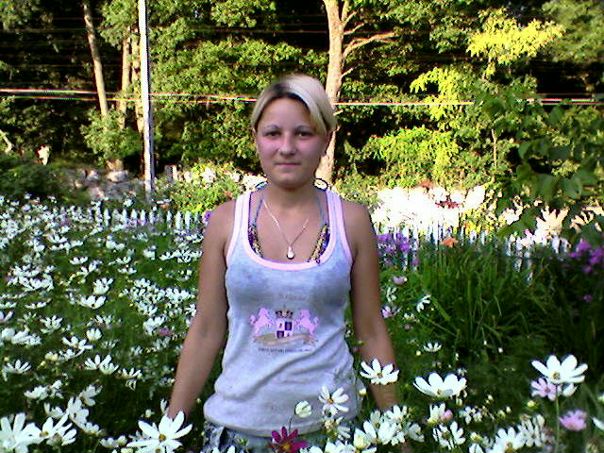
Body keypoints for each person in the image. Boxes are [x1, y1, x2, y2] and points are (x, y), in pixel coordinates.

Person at [167, 74, 407, 452]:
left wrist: (397, 432)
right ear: (256, 138)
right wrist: (169, 432)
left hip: (329, 432)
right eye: (273, 133)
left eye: (303, 134)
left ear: (326, 139)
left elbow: (372, 331)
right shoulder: (226, 221)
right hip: (237, 431)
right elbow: (206, 330)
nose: (287, 148)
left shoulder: (352, 221)